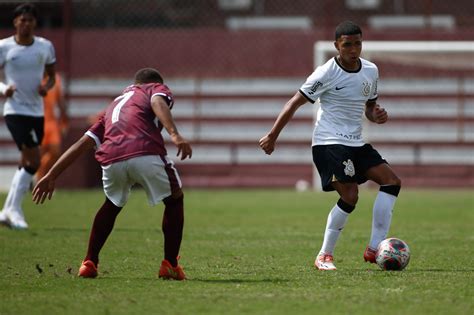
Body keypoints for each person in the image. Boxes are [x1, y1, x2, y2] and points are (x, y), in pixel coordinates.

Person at [259, 21, 401, 270]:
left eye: (357, 43)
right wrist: (272, 136)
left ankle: (375, 248)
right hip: (328, 142)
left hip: (356, 142)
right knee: (350, 194)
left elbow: (368, 107)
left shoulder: (371, 70)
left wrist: (375, 114)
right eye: (347, 44)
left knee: (391, 181)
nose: (353, 49)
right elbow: (294, 102)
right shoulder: (325, 73)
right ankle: (324, 255)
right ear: (337, 46)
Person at [33, 68, 192, 280]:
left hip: (111, 159)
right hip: (144, 151)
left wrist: (52, 174)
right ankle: (170, 264)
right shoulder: (154, 88)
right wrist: (174, 134)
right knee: (174, 200)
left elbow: (83, 143)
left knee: (112, 203)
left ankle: (89, 262)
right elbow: (157, 102)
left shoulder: (113, 107)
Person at [0, 2, 56, 229]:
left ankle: (6, 211)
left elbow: (51, 76)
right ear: (15, 22)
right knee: (34, 160)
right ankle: (14, 209)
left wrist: (46, 86)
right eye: (22, 20)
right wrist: (5, 90)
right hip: (15, 111)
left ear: (35, 23)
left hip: (36, 111)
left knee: (26, 161)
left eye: (30, 20)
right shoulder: (4, 47)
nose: (26, 24)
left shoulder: (45, 46)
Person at [35, 72, 69, 181]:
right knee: (39, 153)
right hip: (38, 120)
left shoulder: (55, 79)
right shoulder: (35, 79)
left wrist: (64, 121)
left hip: (52, 121)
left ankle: (40, 176)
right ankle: (39, 180)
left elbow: (60, 101)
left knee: (55, 152)